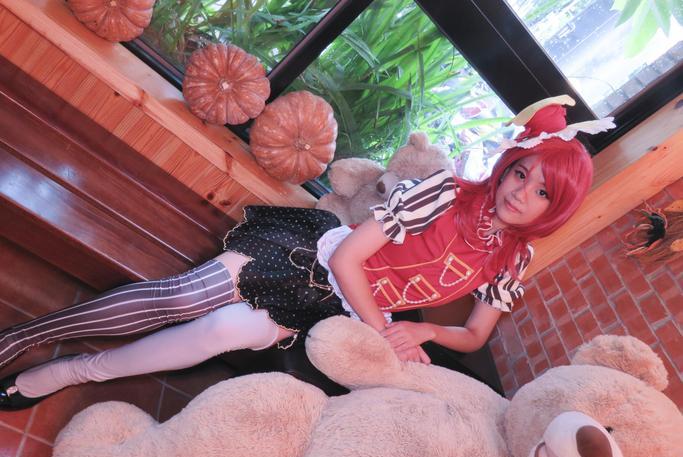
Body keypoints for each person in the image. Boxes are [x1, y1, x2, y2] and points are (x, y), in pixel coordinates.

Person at [0, 96, 613, 410]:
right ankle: (25, 336)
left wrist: (423, 332)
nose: (520, 193)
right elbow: (347, 260)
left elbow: (476, 335)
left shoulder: (513, 261)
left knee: (218, 332)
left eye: (541, 192)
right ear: (508, 164)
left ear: (554, 208)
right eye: (521, 173)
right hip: (312, 259)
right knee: (183, 296)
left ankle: (65, 373)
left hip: (339, 312)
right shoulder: (447, 193)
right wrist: (387, 330)